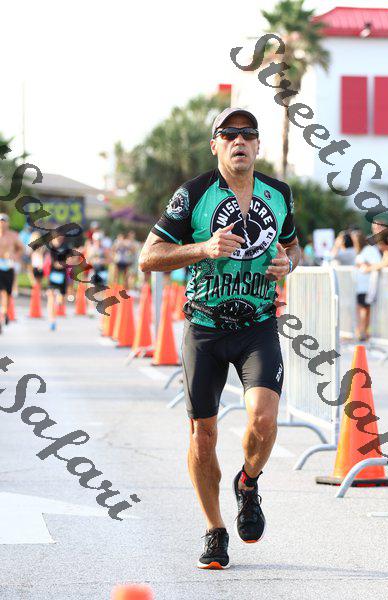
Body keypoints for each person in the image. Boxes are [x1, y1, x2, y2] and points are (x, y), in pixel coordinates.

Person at [139, 107, 301, 569]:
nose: (239, 141)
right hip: (205, 328)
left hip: (257, 324)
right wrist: (203, 248)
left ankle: (247, 483)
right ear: (215, 145)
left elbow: (293, 246)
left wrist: (288, 263)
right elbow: (149, 257)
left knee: (264, 419)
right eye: (229, 134)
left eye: (248, 134)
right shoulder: (193, 194)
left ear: (258, 145)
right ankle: (214, 529)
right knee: (203, 435)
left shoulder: (278, 193)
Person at [351, 230, 381, 341]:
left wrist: (364, 265)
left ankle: (363, 331)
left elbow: (376, 263)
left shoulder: (369, 250)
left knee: (364, 309)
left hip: (367, 285)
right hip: (360, 286)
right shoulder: (361, 251)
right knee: (362, 309)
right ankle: (362, 331)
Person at [0, 213, 24, 333]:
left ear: (8, 223)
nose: (2, 223)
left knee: (7, 294)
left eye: (4, 221)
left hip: (8, 267)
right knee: (3, 292)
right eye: (0, 221)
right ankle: (1, 318)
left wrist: (14, 256)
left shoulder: (13, 235)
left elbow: (21, 248)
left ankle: (4, 313)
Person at [46, 234, 70, 331]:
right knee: (51, 297)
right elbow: (50, 262)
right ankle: (52, 320)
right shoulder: (50, 246)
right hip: (52, 275)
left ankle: (56, 309)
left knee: (60, 300)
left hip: (62, 276)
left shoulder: (66, 246)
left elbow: (70, 260)